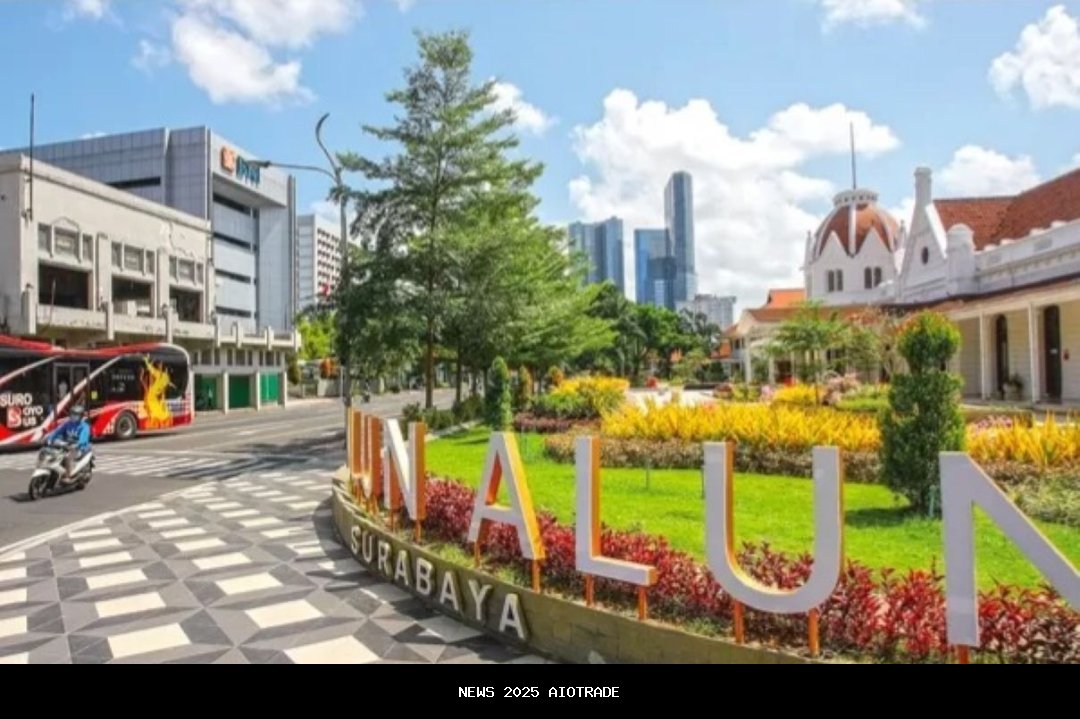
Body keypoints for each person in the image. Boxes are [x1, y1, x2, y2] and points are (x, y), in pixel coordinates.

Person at [45, 404, 91, 483]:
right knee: (55, 454)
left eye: (76, 415)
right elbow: (57, 431)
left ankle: (68, 476)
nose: (73, 416)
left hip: (79, 448)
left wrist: (78, 444)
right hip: (67, 445)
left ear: (81, 416)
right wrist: (50, 438)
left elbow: (83, 438)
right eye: (72, 414)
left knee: (67, 457)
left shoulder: (84, 426)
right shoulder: (67, 423)